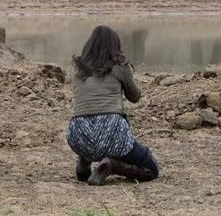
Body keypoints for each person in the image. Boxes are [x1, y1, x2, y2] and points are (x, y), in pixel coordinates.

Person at [66, 25, 160, 185]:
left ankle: (84, 160)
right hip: (112, 129)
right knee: (151, 169)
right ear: (115, 45)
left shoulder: (77, 68)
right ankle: (112, 166)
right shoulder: (120, 66)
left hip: (78, 132)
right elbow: (135, 97)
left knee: (92, 131)